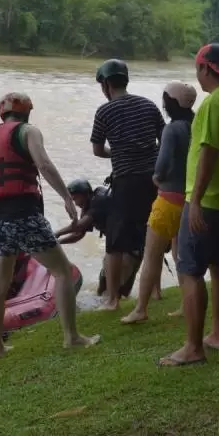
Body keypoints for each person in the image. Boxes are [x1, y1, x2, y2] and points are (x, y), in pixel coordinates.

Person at [0, 92, 100, 357]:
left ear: (2, 114)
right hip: (22, 212)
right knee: (62, 271)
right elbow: (43, 164)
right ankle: (72, 337)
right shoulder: (28, 131)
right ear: (27, 112)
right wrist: (67, 198)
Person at [160, 44, 219, 367]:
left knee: (190, 271)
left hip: (208, 202)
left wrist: (196, 201)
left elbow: (209, 153)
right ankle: (217, 335)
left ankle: (193, 347)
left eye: (197, 70)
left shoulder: (214, 104)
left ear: (204, 68)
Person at [90, 58, 166, 310]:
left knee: (114, 242)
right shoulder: (149, 105)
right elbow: (163, 141)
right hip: (153, 180)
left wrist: (120, 152)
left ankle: (112, 300)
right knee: (148, 235)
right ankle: (154, 291)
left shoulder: (104, 111)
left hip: (125, 182)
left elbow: (98, 150)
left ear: (107, 84)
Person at [122, 80, 197, 325]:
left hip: (167, 201)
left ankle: (141, 308)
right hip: (188, 201)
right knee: (181, 257)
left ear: (171, 103)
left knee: (152, 255)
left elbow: (162, 164)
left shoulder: (172, 129)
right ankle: (187, 306)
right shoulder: (197, 124)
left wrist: (156, 177)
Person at [55, 178, 141, 299]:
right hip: (117, 245)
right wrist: (58, 242)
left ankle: (115, 304)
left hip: (132, 244)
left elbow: (80, 225)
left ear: (85, 193)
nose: (75, 203)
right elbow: (78, 234)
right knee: (104, 281)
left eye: (75, 199)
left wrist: (57, 233)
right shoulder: (88, 205)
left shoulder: (99, 200)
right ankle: (104, 303)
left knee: (120, 285)